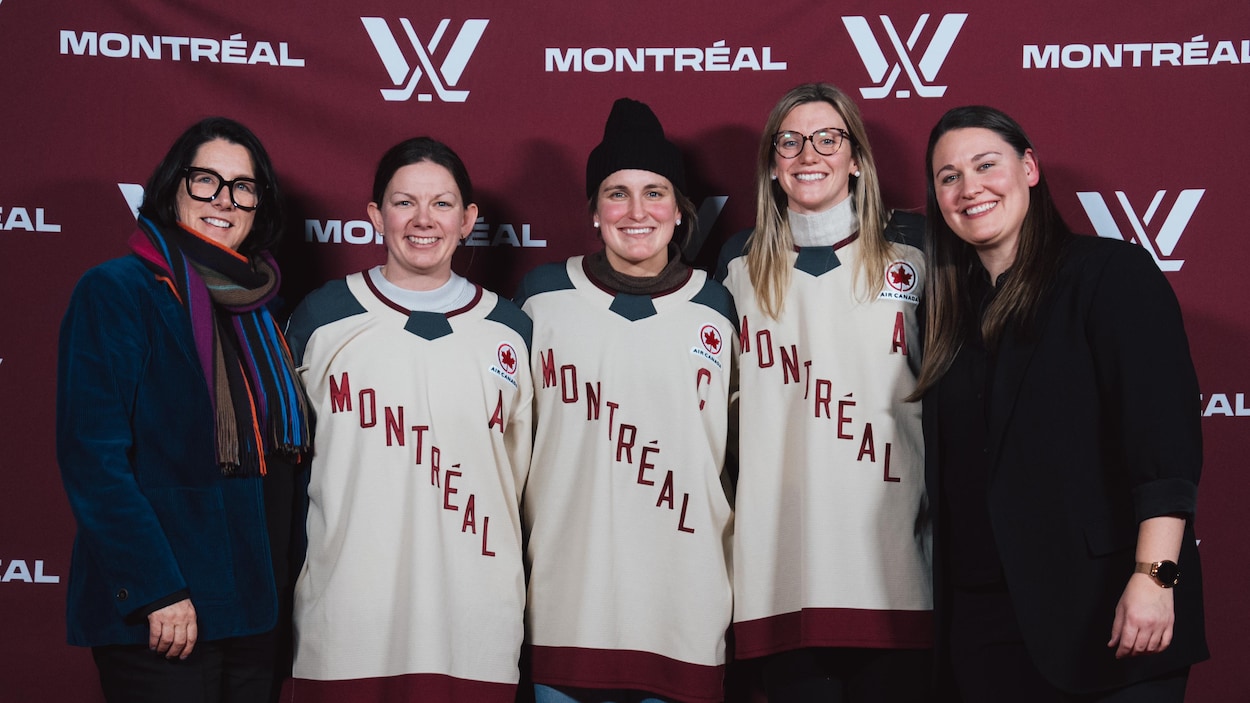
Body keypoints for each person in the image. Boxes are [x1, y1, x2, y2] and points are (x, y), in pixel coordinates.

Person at [916, 105, 1208, 701]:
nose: (970, 188)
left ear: (1028, 168)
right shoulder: (947, 315)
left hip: (1108, 617)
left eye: (985, 164)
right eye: (949, 177)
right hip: (985, 630)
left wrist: (1154, 580)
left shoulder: (1110, 274)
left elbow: (1165, 450)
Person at [57, 117, 310, 703]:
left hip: (253, 609)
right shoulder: (119, 291)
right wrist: (156, 591)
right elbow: (92, 459)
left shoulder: (261, 310)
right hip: (168, 614)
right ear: (174, 187)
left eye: (243, 187)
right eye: (206, 181)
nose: (224, 200)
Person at [284, 137, 533, 702]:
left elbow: (525, 480)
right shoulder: (322, 318)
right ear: (375, 215)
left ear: (469, 219)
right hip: (348, 611)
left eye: (442, 203)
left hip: (474, 617)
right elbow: (287, 473)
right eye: (404, 203)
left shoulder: (512, 329)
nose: (423, 220)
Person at [715, 83, 931, 701]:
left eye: (827, 138)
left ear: (856, 157)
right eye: (790, 141)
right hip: (786, 565)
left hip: (892, 558)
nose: (809, 153)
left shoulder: (915, 253)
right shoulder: (739, 263)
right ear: (773, 164)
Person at [515, 98, 736, 703]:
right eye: (617, 192)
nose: (636, 211)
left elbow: (741, 458)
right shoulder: (542, 299)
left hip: (683, 602)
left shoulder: (718, 306)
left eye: (655, 191)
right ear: (593, 211)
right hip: (570, 603)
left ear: (680, 209)